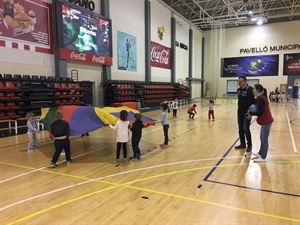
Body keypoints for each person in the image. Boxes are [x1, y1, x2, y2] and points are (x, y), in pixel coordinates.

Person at [247, 84, 274, 162]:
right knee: (262, 138)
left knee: (264, 139)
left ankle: (263, 157)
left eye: (254, 89)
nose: (252, 90)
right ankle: (260, 153)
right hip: (265, 121)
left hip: (267, 121)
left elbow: (260, 112)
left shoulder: (261, 99)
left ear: (258, 90)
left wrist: (251, 114)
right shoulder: (260, 98)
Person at [235, 76, 255, 152]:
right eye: (238, 81)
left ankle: (249, 145)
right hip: (240, 111)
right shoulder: (238, 90)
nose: (239, 83)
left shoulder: (250, 90)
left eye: (240, 81)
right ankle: (242, 144)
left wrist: (251, 113)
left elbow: (254, 102)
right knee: (240, 129)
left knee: (246, 128)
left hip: (247, 113)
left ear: (245, 81)